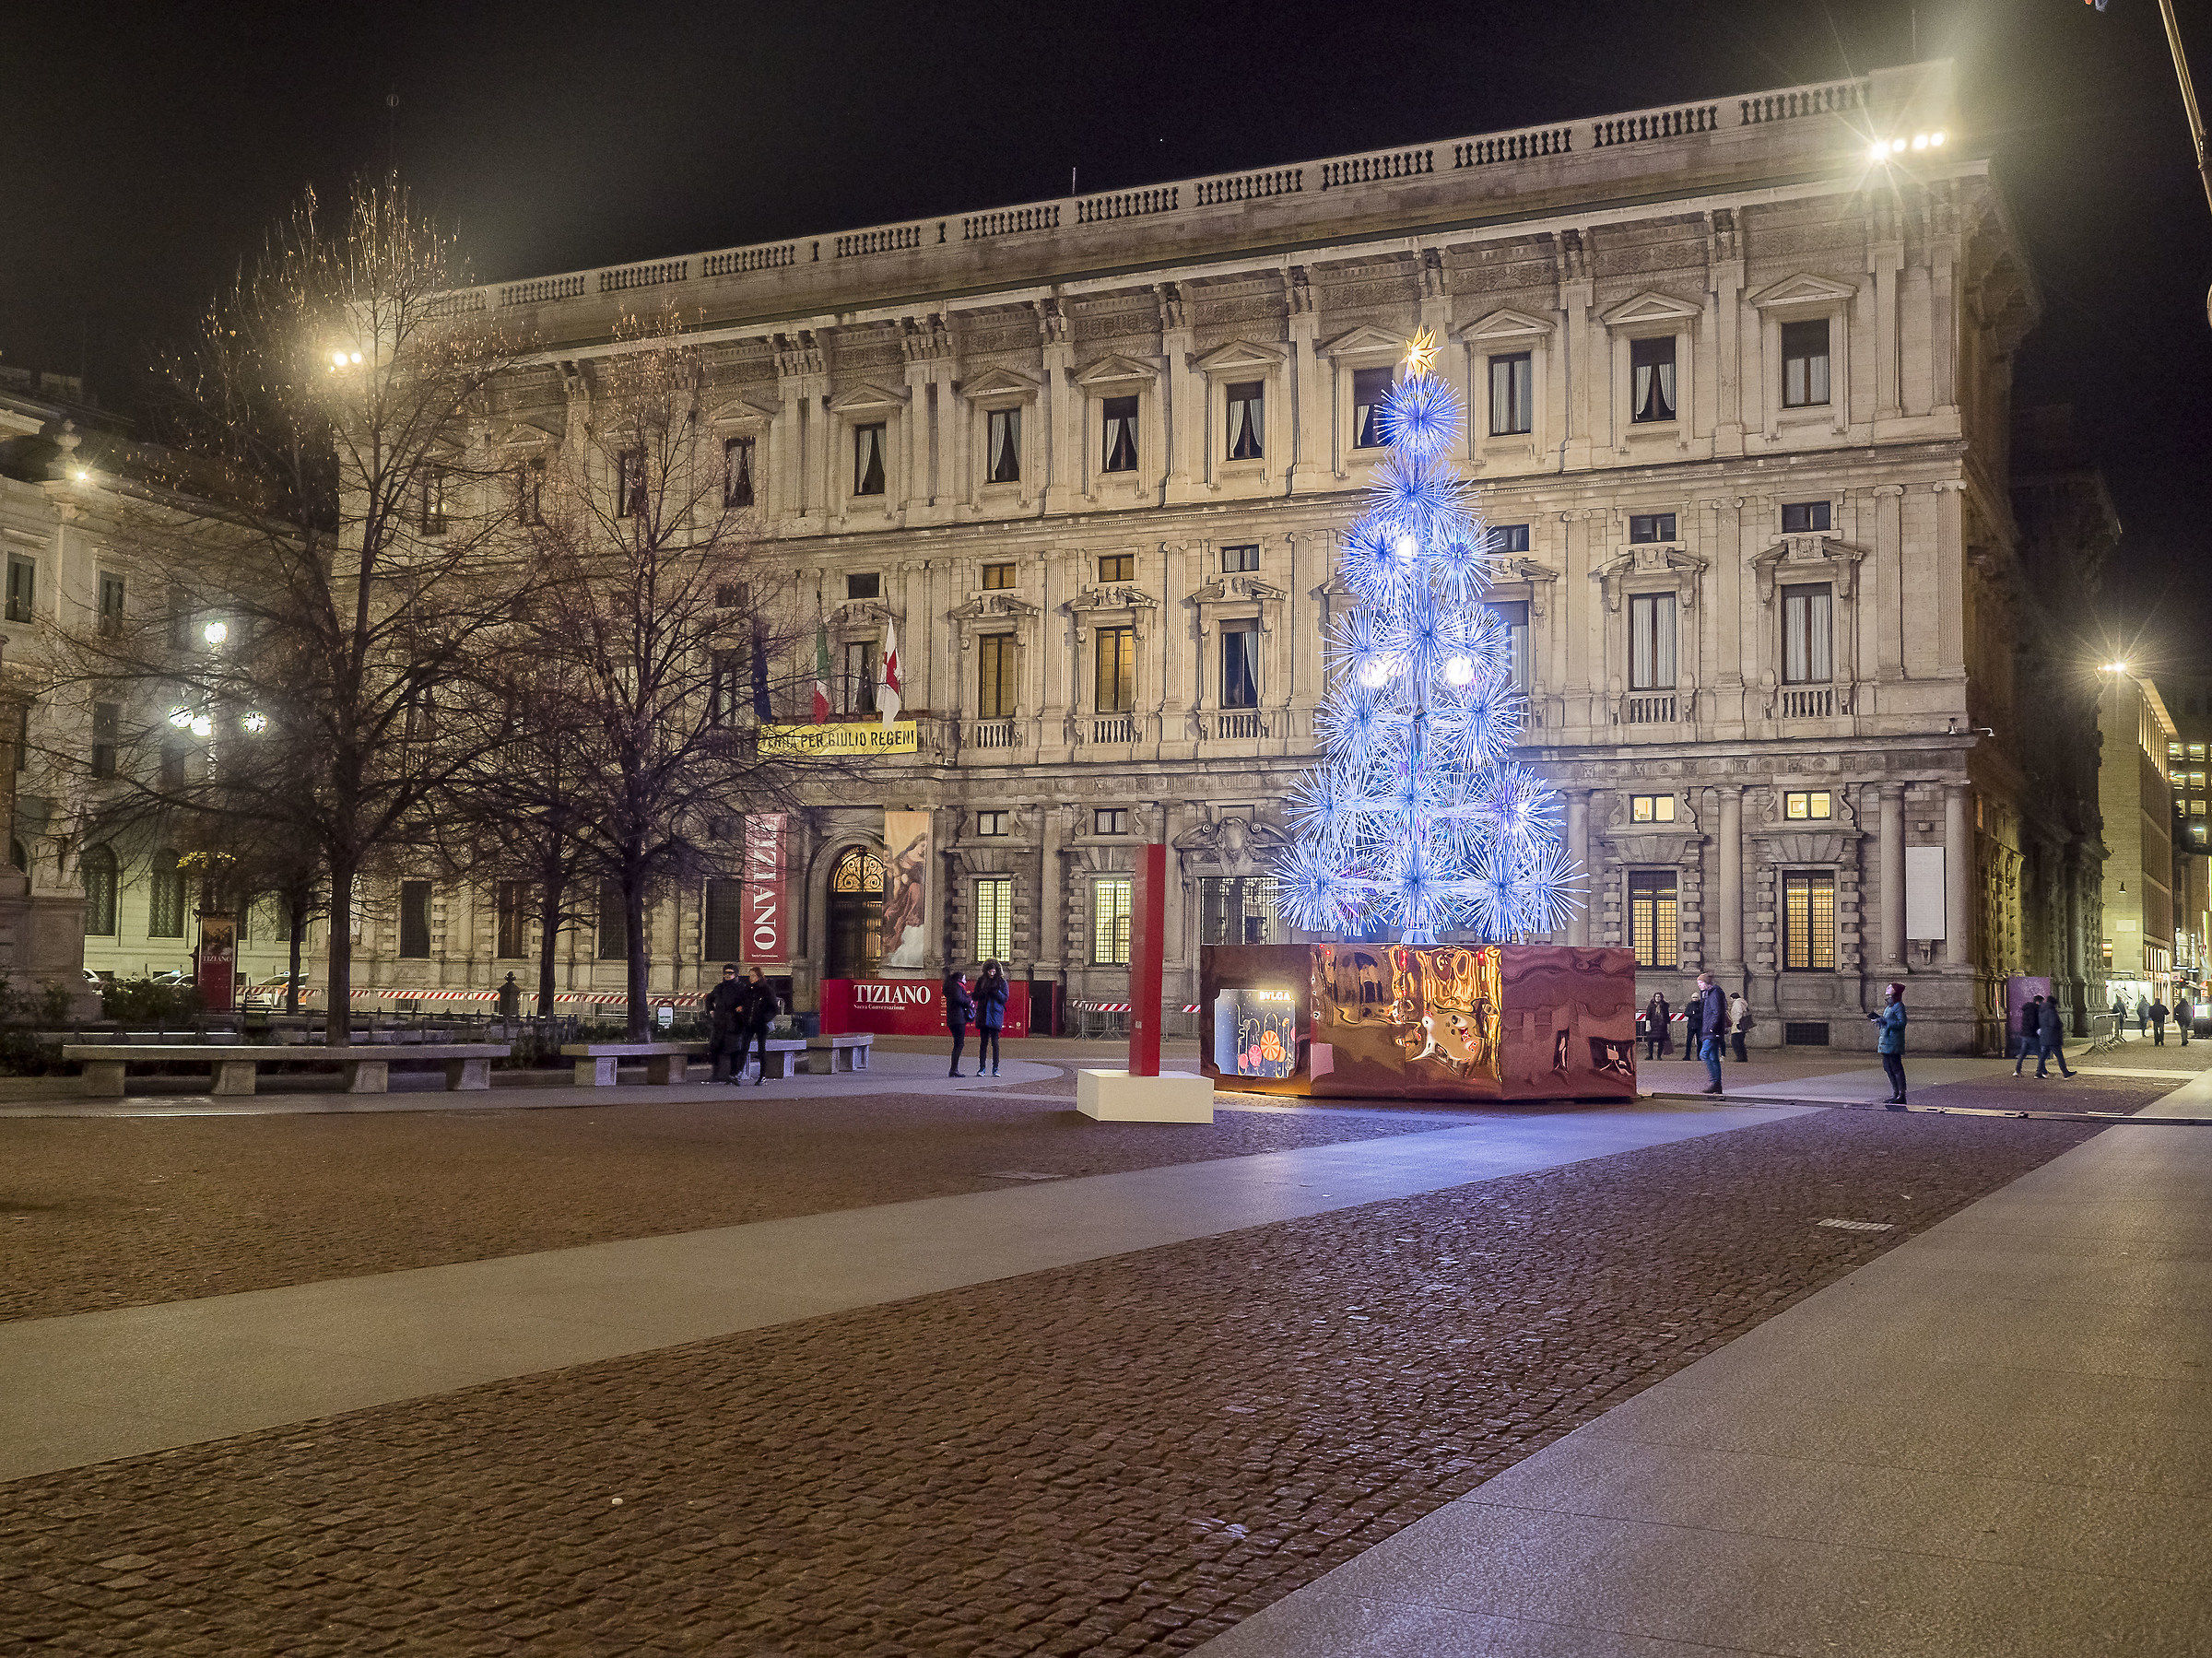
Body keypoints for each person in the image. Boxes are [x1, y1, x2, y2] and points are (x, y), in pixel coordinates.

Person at [703, 963, 747, 1084]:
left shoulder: (741, 988)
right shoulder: (719, 987)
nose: (727, 975)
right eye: (726, 973)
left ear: (736, 974)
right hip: (719, 1023)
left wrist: (741, 1008)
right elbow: (709, 999)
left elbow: (748, 1002)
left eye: (730, 973)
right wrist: (711, 1010)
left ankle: (733, 1075)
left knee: (733, 1050)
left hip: (734, 1024)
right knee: (715, 1048)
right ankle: (715, 1075)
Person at [1870, 982, 1908, 1106]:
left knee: (1896, 1068)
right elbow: (1888, 1022)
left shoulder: (1899, 1006)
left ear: (1896, 992)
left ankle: (1901, 1095)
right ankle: (1895, 1093)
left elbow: (1902, 1023)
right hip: (1886, 1041)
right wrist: (1879, 1021)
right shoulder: (1890, 1006)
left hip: (1893, 1042)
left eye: (1891, 987)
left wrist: (1885, 1021)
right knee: (1888, 1068)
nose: (1887, 987)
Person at [742, 967, 779, 1086]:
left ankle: (762, 1075)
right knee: (743, 1047)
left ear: (759, 977)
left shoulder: (766, 990)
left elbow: (774, 1008)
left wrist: (765, 1019)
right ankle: (737, 1073)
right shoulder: (748, 989)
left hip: (761, 1024)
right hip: (749, 1023)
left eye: (753, 976)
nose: (750, 978)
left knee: (761, 1049)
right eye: (750, 976)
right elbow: (745, 1003)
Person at [1694, 971, 1728, 1096]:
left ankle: (1714, 1082)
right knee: (1713, 1058)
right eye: (1698, 983)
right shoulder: (1709, 994)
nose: (1699, 985)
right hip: (1711, 1030)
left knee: (1704, 1054)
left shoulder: (1714, 994)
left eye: (1701, 983)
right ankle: (1717, 1085)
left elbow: (1716, 1012)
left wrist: (1711, 1028)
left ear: (1707, 983)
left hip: (1712, 1032)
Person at [973, 959, 1009, 1076]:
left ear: (997, 971)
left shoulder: (1002, 982)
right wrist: (982, 992)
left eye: (993, 972)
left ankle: (995, 1068)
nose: (991, 974)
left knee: (995, 1043)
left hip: (995, 1015)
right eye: (989, 972)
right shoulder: (981, 981)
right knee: (983, 1043)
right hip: (984, 1015)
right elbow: (975, 995)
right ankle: (982, 1068)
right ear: (986, 971)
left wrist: (996, 992)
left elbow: (1005, 998)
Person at [944, 969, 974, 1076]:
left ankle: (954, 1069)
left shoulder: (952, 987)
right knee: (959, 1044)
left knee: (958, 1043)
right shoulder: (957, 987)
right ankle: (954, 1069)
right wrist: (969, 1001)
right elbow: (960, 999)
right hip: (958, 1019)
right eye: (964, 978)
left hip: (953, 1019)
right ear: (960, 979)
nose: (966, 981)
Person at [2037, 995, 2076, 1079]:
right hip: (2052, 1037)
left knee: (2043, 1056)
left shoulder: (2042, 1010)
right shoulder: (2051, 1011)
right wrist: (2060, 1025)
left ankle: (2038, 1072)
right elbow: (2054, 1023)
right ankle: (2065, 1072)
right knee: (2059, 1056)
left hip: (2045, 1036)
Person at [2013, 994, 2044, 1077]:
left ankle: (2017, 1071)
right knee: (2040, 1054)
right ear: (2038, 1002)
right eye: (2041, 1002)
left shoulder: (2026, 1009)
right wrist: (2038, 1028)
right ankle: (2039, 1072)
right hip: (2032, 1035)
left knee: (2023, 1053)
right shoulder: (2035, 1009)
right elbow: (2033, 1022)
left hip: (2024, 1034)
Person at [1641, 992, 1671, 1061]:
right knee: (1650, 1041)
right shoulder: (1650, 1006)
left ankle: (1659, 1056)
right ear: (1654, 997)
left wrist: (1668, 1025)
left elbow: (1667, 1016)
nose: (1657, 998)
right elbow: (1648, 1016)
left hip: (1662, 1026)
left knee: (1661, 1041)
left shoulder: (1664, 1006)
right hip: (1653, 1026)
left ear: (1661, 998)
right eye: (1656, 997)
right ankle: (1650, 1055)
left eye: (1659, 997)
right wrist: (1648, 1026)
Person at [1728, 990, 1752, 1063]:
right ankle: (1743, 1057)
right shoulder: (1743, 1002)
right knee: (1741, 1042)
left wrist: (1737, 1021)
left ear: (1733, 998)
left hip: (1738, 1024)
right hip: (1743, 1024)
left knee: (1735, 1041)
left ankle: (1740, 1057)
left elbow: (1739, 1012)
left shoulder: (1737, 1003)